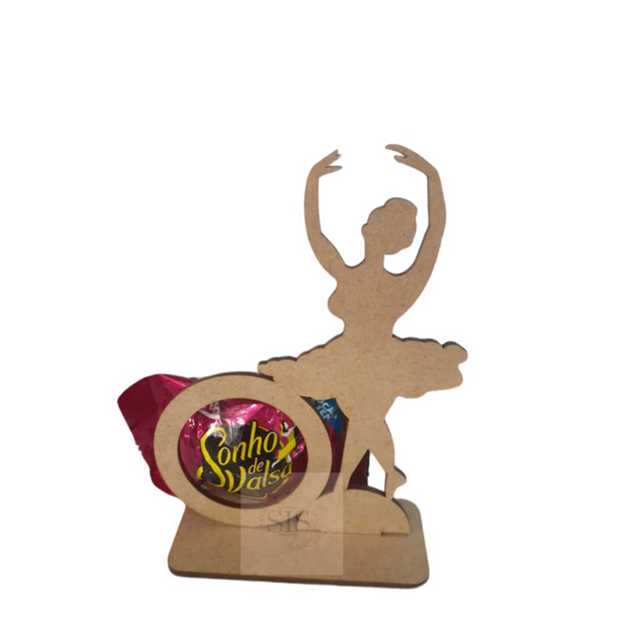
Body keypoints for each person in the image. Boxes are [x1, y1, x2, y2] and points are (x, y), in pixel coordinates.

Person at [259, 145, 466, 498]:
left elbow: (434, 235)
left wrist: (432, 177)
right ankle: (383, 477)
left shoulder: (401, 286)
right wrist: (312, 183)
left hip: (377, 360)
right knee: (363, 418)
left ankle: (356, 484)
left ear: (382, 233)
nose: (366, 224)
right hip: (351, 355)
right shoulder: (355, 276)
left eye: (374, 221)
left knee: (362, 418)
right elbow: (316, 236)